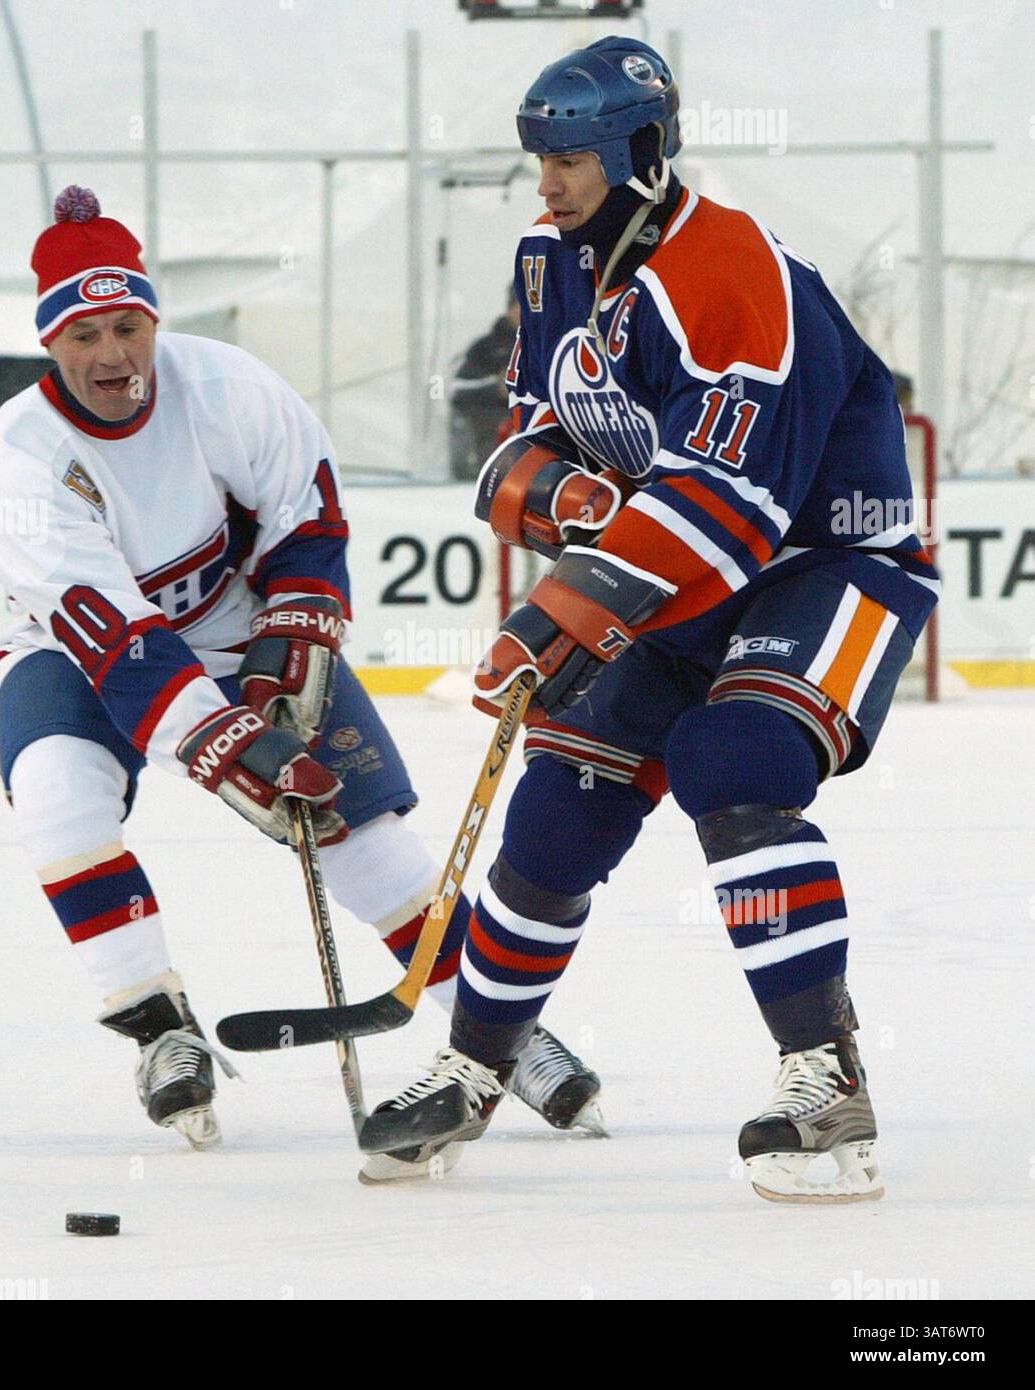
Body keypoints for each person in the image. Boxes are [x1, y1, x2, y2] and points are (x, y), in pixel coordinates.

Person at [362, 39, 939, 1203]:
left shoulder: (731, 272)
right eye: (541, 159)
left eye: (570, 157)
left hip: (822, 564)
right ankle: (476, 1067)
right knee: (556, 813)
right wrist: (567, 498)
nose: (548, 183)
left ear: (641, 148)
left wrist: (560, 606)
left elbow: (727, 507)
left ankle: (824, 1080)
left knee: (734, 761)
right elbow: (530, 433)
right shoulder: (548, 261)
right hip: (683, 571)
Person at [0, 186, 603, 1177]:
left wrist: (295, 636)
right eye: (86, 333)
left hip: (238, 628)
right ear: (51, 342)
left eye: (129, 326)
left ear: (153, 319)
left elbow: (307, 522)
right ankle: (157, 1027)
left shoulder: (225, 385)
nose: (113, 356)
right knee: (58, 795)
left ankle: (501, 1031)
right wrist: (231, 747)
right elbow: (121, 645)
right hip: (79, 651)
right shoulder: (24, 460)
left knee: (372, 848)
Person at [448, 287, 521, 480]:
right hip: (493, 431)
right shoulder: (485, 348)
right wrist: (496, 387)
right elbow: (458, 388)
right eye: (520, 305)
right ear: (510, 308)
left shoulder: (542, 344)